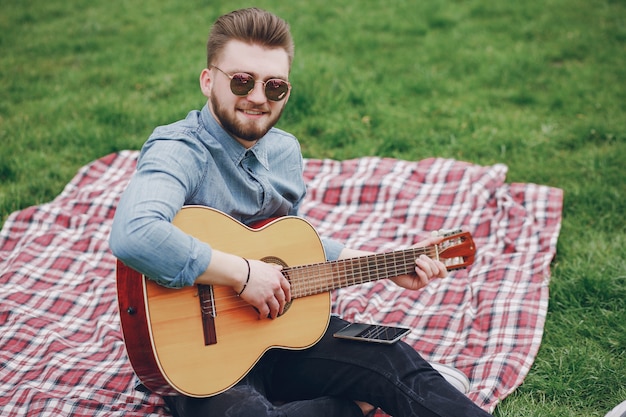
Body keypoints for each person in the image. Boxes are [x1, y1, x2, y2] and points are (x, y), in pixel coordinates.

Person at [109, 7, 493, 417]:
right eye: (242, 81)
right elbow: (135, 233)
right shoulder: (179, 149)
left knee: (394, 359)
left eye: (274, 87)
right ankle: (359, 403)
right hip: (198, 357)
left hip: (278, 335)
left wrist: (384, 265)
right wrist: (243, 274)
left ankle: (383, 392)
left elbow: (286, 246)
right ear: (208, 81)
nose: (258, 97)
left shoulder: (284, 151)